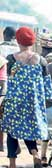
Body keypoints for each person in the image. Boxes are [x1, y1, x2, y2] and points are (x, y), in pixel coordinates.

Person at [2, 27, 52, 168]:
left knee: (12, 132)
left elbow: (6, 80)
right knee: (29, 132)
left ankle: (12, 166)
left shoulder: (11, 59)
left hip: (14, 102)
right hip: (33, 103)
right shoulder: (41, 61)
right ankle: (35, 154)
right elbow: (47, 85)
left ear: (17, 40)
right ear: (33, 41)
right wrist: (45, 100)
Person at [0, 27, 18, 155]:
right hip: (16, 86)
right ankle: (15, 146)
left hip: (2, 83)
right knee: (13, 116)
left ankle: (1, 144)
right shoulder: (19, 50)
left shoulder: (0, 47)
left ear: (4, 34)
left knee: (0, 114)